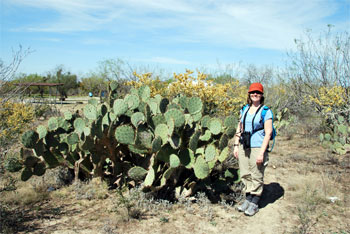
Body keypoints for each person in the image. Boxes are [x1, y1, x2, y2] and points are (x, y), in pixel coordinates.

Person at [233, 82, 273, 216]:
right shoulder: (244, 109)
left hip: (258, 145)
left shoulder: (266, 111)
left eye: (258, 92)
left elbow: (268, 133)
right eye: (252, 92)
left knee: (256, 173)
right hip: (244, 144)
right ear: (249, 94)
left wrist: (262, 152)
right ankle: (248, 199)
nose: (255, 94)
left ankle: (254, 202)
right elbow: (240, 127)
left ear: (262, 95)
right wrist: (236, 145)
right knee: (245, 172)